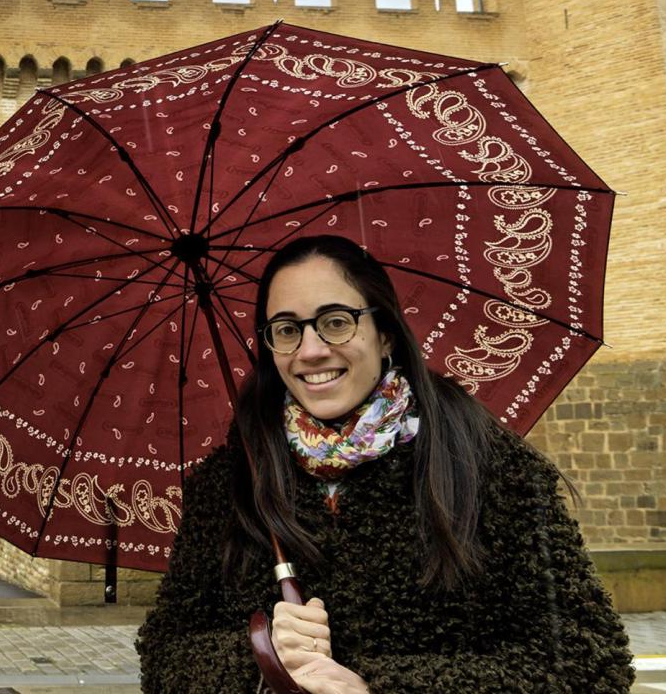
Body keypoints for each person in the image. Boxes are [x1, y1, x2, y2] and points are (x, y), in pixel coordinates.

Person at [136, 234, 634, 693]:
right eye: (286, 330)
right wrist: (262, 658)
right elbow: (164, 657)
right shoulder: (228, 481)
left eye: (335, 321)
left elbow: (586, 662)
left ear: (386, 334)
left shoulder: (491, 467)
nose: (310, 350)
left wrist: (373, 686)